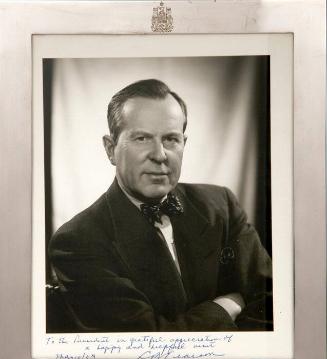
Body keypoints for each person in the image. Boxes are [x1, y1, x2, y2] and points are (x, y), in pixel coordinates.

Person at [47, 79, 273, 333]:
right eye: (142, 138)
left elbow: (271, 303)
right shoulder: (77, 241)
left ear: (183, 144)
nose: (160, 154)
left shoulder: (221, 204)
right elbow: (145, 341)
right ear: (111, 149)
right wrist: (226, 307)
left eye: (171, 139)